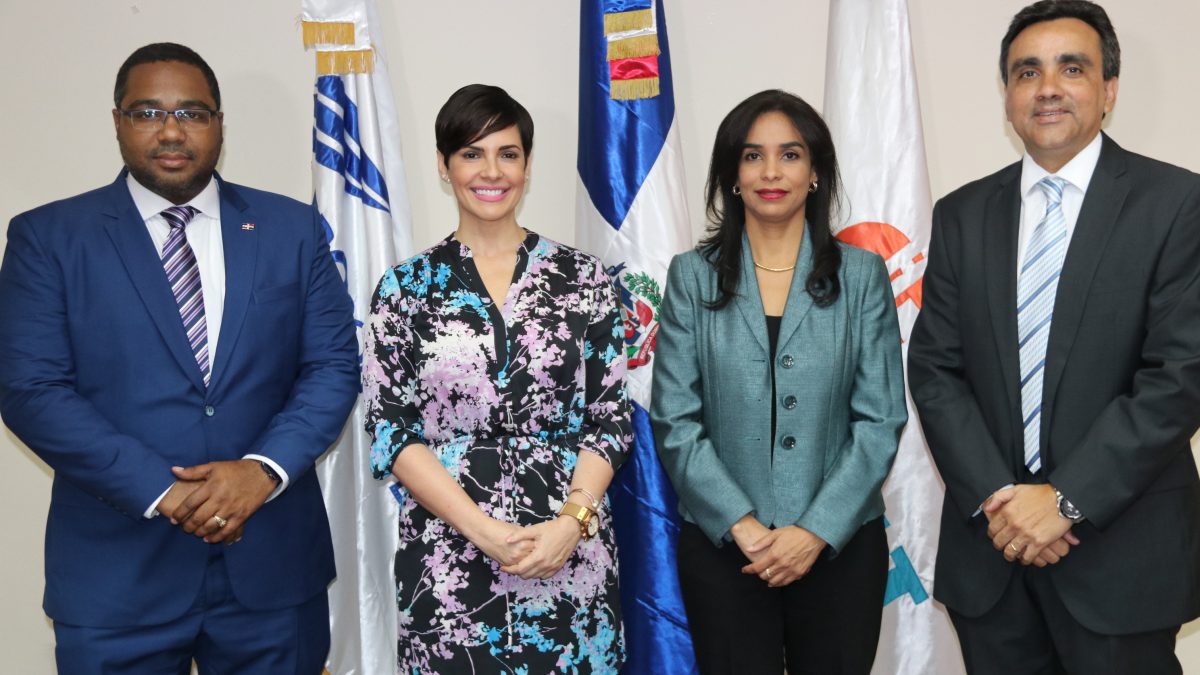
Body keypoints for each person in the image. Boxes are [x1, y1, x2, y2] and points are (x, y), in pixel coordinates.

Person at [0, 43, 358, 672]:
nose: (171, 131)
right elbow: (31, 390)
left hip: (272, 573)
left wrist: (262, 471)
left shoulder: (291, 229)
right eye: (147, 113)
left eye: (192, 113)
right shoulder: (48, 237)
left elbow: (332, 367)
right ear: (117, 121)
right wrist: (162, 490)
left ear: (220, 123)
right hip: (116, 577)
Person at [908, 1, 1200, 672]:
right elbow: (935, 370)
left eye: (1072, 68)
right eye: (1026, 72)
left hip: (1123, 559)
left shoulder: (1177, 204)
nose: (1047, 88)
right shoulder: (961, 214)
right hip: (993, 557)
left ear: (1109, 90)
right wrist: (1001, 501)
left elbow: (1180, 375)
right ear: (1008, 96)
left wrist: (1067, 501)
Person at [361, 84, 631, 674]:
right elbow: (391, 429)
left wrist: (572, 523)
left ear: (527, 166)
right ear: (444, 165)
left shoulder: (583, 277)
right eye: (471, 153)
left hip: (568, 552)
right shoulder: (404, 289)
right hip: (447, 560)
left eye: (508, 154)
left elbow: (611, 417)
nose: (491, 171)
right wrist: (482, 531)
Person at [650, 89, 906, 674]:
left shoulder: (861, 276)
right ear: (732, 175)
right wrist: (742, 525)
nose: (771, 172)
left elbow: (880, 418)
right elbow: (674, 418)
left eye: (790, 155)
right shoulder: (692, 277)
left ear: (815, 173)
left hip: (839, 545)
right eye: (752, 156)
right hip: (726, 548)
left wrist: (814, 530)